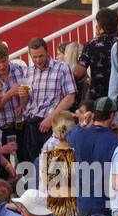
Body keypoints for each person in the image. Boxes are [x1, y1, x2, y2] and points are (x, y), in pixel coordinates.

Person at [19, 38, 78, 170]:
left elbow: (70, 98)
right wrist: (23, 96)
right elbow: (25, 103)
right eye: (34, 57)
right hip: (32, 125)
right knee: (34, 167)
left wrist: (50, 119)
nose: (38, 60)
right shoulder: (28, 71)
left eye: (41, 56)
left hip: (53, 126)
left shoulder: (62, 68)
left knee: (55, 168)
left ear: (47, 52)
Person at [68, 98, 118, 216]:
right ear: (112, 115)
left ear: (93, 114)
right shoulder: (116, 141)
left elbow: (69, 137)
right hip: (105, 204)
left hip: (83, 203)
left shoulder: (79, 134)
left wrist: (82, 124)